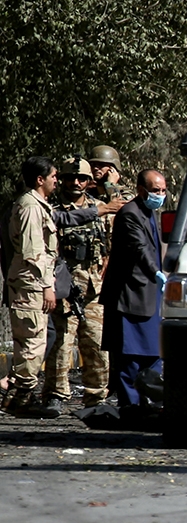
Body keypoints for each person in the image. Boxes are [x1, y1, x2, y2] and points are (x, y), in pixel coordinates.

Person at [41, 157, 113, 413]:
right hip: (64, 287)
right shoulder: (51, 208)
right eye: (70, 178)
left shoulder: (102, 208)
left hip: (94, 288)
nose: (75, 183)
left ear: (89, 181)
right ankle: (56, 394)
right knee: (61, 343)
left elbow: (111, 243)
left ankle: (96, 397)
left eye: (81, 178)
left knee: (96, 344)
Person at [100, 169, 168, 410]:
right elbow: (140, 249)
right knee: (129, 358)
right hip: (130, 296)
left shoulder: (150, 212)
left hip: (150, 297)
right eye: (155, 190)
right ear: (141, 190)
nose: (160, 195)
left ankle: (151, 406)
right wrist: (156, 273)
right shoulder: (130, 213)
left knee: (154, 355)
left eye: (162, 190)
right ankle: (131, 408)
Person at [1, 157, 62, 418]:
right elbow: (32, 251)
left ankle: (19, 397)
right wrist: (47, 286)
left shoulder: (39, 206)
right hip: (31, 283)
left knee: (34, 339)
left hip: (32, 281)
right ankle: (20, 399)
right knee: (32, 342)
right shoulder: (29, 207)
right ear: (40, 179)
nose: (56, 181)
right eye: (53, 176)